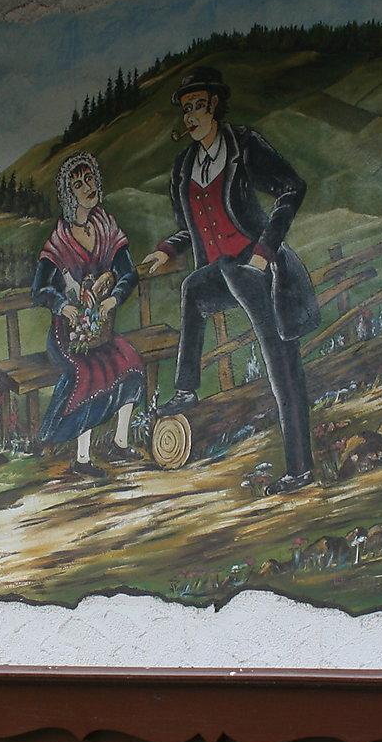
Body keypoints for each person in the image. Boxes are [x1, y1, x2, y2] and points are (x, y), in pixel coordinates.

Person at [139, 66, 320, 491]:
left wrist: (264, 252)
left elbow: (292, 188)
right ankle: (186, 390)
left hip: (258, 270)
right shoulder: (184, 166)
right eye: (185, 109)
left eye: (198, 106)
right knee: (192, 289)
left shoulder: (244, 146)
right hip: (222, 271)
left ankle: (300, 470)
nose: (191, 116)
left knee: (282, 367)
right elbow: (195, 225)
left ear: (215, 106)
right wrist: (167, 249)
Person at [33, 152, 145, 477]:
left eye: (90, 179)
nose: (87, 188)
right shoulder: (59, 241)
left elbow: (128, 272)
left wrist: (114, 299)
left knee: (130, 361)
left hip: (101, 329)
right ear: (70, 195)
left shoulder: (107, 227)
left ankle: (120, 443)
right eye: (78, 184)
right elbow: (39, 289)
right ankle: (81, 459)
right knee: (90, 373)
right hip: (68, 333)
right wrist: (63, 306)